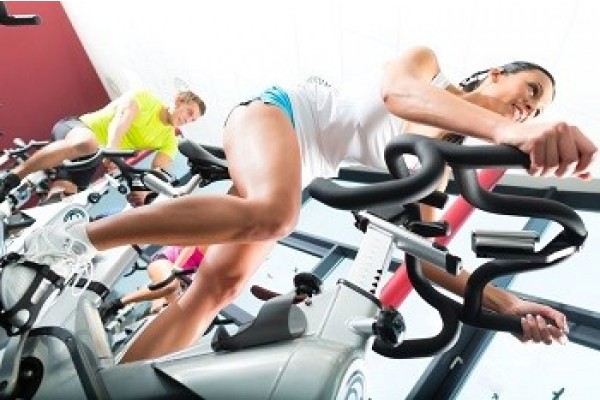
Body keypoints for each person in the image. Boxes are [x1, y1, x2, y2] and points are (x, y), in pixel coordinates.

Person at [12, 46, 597, 362]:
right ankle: (67, 239)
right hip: (280, 112)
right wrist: (511, 134)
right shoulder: (427, 67)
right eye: (531, 91)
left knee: (218, 290)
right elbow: (400, 95)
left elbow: (427, 254)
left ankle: (118, 384)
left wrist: (508, 305)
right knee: (276, 214)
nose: (531, 107)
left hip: (301, 166)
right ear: (495, 73)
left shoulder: (438, 161)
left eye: (539, 109)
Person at [0, 89, 206, 206]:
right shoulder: (145, 98)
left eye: (193, 120)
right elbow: (120, 122)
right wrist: (113, 149)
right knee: (88, 143)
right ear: (179, 100)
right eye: (189, 112)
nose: (188, 120)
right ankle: (10, 179)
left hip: (95, 156)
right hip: (78, 130)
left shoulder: (169, 139)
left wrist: (143, 191)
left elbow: (157, 171)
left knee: (64, 202)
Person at [99, 245, 205, 320]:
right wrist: (175, 267)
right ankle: (114, 304)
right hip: (165, 261)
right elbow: (190, 247)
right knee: (170, 285)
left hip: (181, 278)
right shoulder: (210, 237)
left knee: (167, 311)